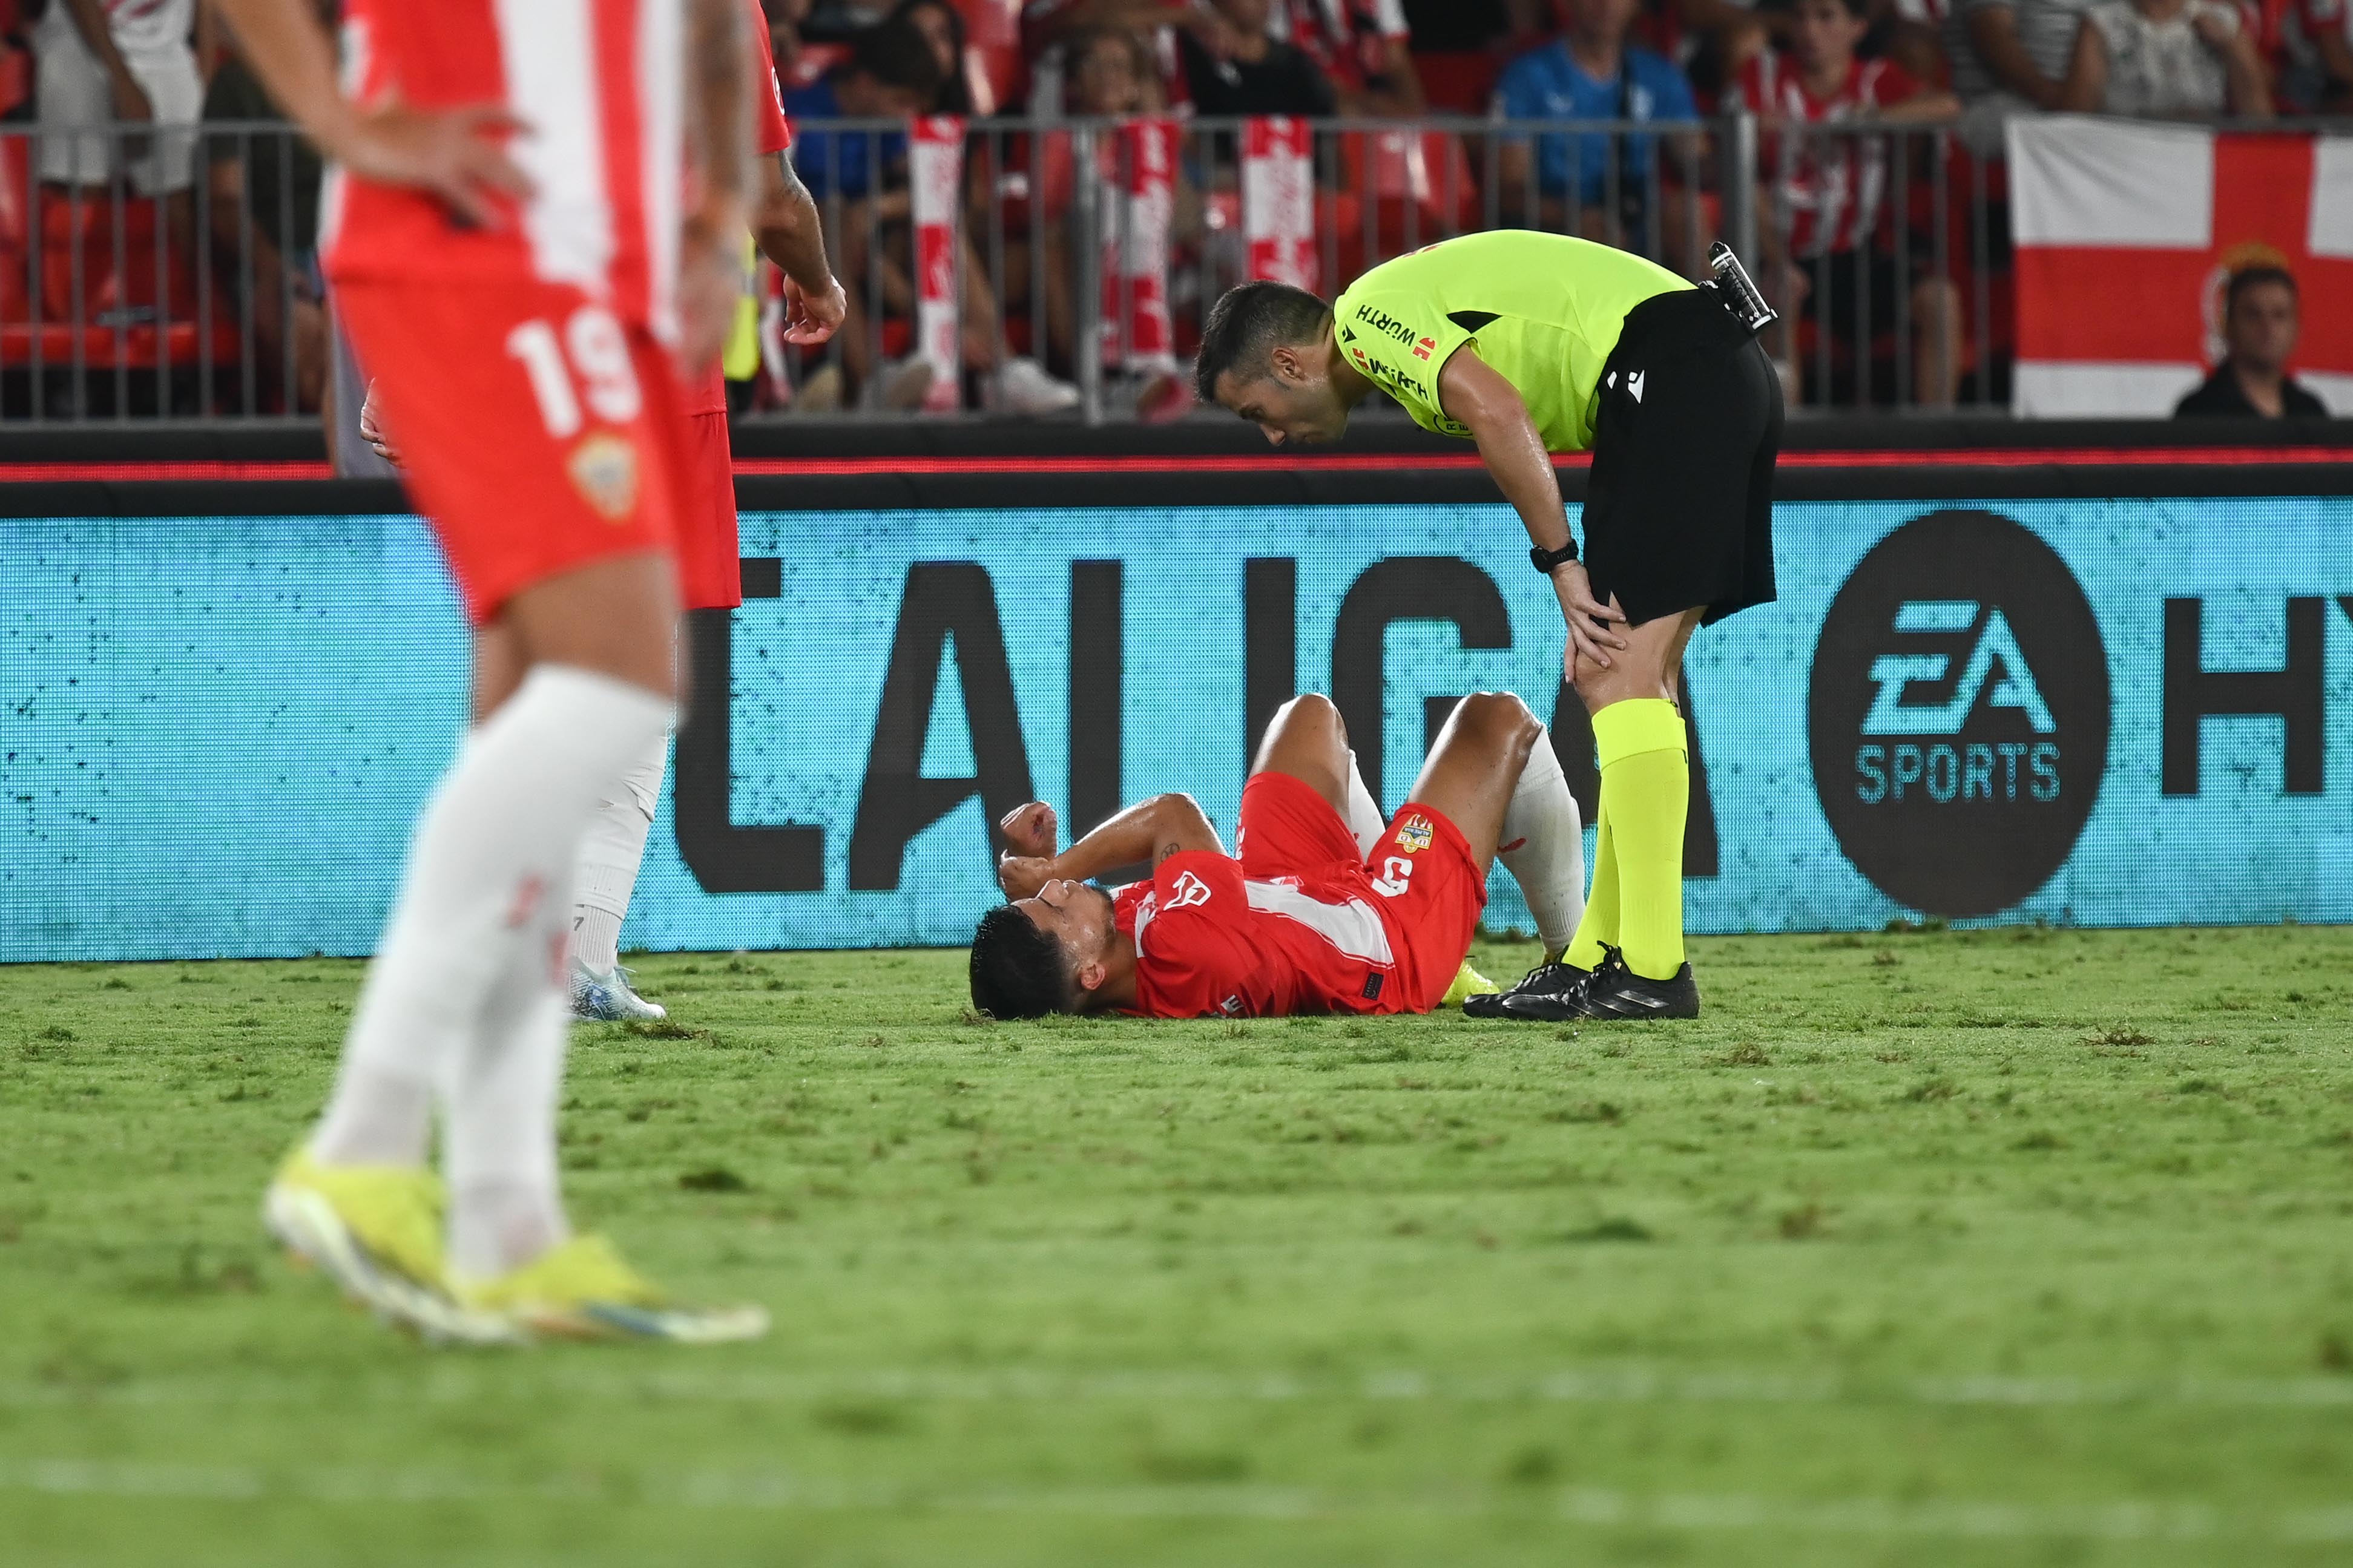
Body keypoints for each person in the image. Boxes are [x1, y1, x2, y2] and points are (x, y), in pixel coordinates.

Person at [224, 0, 765, 1344]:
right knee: (621, 679)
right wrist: (344, 122)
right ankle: (365, 1141)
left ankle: (502, 1220)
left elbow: (709, 31)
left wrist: (716, 213)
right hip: (474, 247)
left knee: (541, 706)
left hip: (587, 277)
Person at [1195, 229, 1783, 1019]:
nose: (1269, 435)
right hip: (1702, 366)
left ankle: (1648, 967)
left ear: (1291, 364)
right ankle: (1599, 957)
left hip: (1674, 369)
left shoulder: (1367, 319)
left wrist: (1561, 562)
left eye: (1257, 411)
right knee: (1631, 676)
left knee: (1615, 672)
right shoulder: (1396, 338)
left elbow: (1498, 411)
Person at [970, 692, 1586, 1021]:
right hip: (1383, 944)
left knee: (1307, 716)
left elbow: (1038, 962)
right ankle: (1574, 955)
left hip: (1280, 895)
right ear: (1090, 976)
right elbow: (1175, 814)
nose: (1055, 893)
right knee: (1496, 720)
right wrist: (1058, 868)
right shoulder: (1188, 948)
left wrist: (1032, 877)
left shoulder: (1107, 954)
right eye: (1051, 908)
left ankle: (1386, 864)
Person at [788, 18, 1079, 413]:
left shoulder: (890, 126)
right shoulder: (801, 112)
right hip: (809, 252)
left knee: (938, 223)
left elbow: (925, 191)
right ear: (865, 84)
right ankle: (870, 380)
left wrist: (876, 208)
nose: (909, 116)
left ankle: (1006, 370)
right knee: (831, 219)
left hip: (874, 246)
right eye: (901, 102)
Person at [1730, 0, 1964, 407]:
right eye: (1800, 17)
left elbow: (1948, 106)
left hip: (1859, 256)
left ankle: (1938, 445)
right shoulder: (1763, 75)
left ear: (1856, 27)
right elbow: (1743, 175)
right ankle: (1786, 449)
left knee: (1940, 301)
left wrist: (1872, 119)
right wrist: (1775, 257)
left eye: (1825, 18)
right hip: (1784, 254)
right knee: (1780, 290)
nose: (1810, 31)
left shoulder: (1875, 80)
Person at [1491, 0, 1702, 263]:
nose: (1606, 5)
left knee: (1684, 210)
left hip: (1639, 223)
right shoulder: (1526, 76)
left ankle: (1728, 303)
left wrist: (1742, 167)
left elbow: (1697, 160)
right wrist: (1573, 216)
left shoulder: (1660, 76)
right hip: (1554, 228)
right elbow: (1508, 190)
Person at [2059, 0, 2272, 116]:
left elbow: (2260, 121)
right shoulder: (2101, 26)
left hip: (2196, 166)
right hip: (2125, 162)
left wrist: (2230, 49)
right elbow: (2074, 122)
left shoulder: (2222, 23)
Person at [2174, 266, 2331, 418]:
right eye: (2253, 314)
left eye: (2279, 315)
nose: (2268, 327)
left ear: (2296, 329)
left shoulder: (2310, 411)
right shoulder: (2199, 411)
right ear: (2229, 326)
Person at [1179, 0, 1340, 117]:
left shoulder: (1295, 63)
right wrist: (1195, 18)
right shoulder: (1198, 55)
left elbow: (1322, 118)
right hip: (1217, 162)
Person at [1274, 0, 1426, 116]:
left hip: (1365, 98)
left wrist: (1413, 111)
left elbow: (1397, 58)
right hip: (1301, 96)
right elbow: (1271, 58)